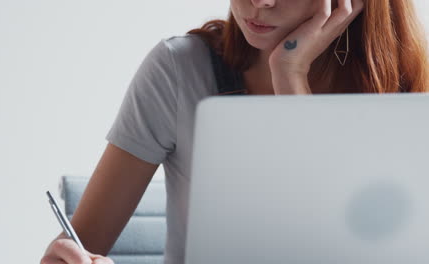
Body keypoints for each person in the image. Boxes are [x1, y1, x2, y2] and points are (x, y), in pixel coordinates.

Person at [40, 0, 429, 263]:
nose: (259, 1)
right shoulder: (180, 69)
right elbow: (78, 248)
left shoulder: (405, 96)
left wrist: (290, 77)